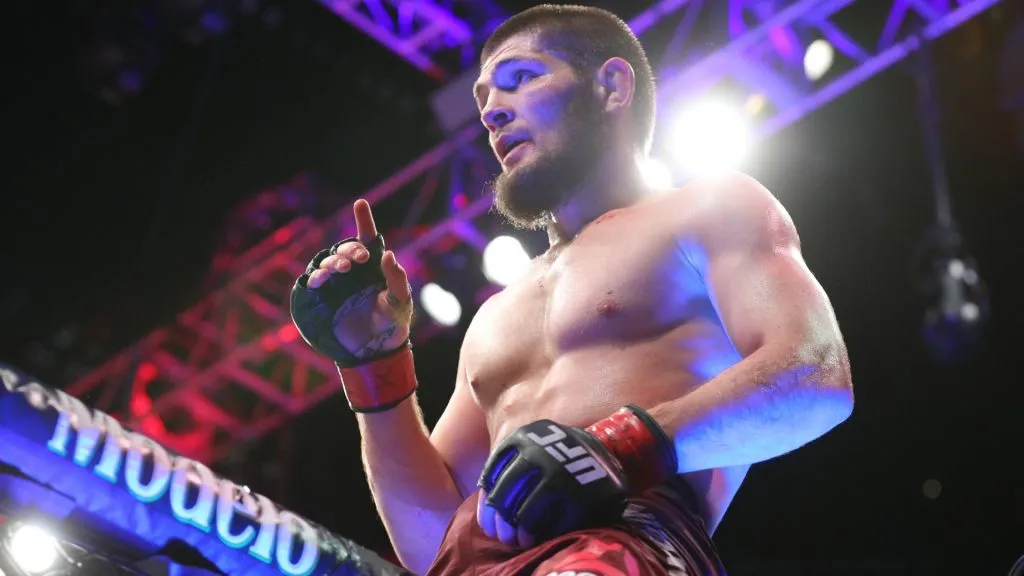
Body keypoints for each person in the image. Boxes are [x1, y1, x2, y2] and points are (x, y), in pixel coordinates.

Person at [290, 5, 854, 575]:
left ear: (611, 86)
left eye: (520, 78)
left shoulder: (708, 209)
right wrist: (374, 365)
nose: (493, 112)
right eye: (484, 99)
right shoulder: (495, 316)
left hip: (620, 543)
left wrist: (621, 447)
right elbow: (432, 542)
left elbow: (815, 379)